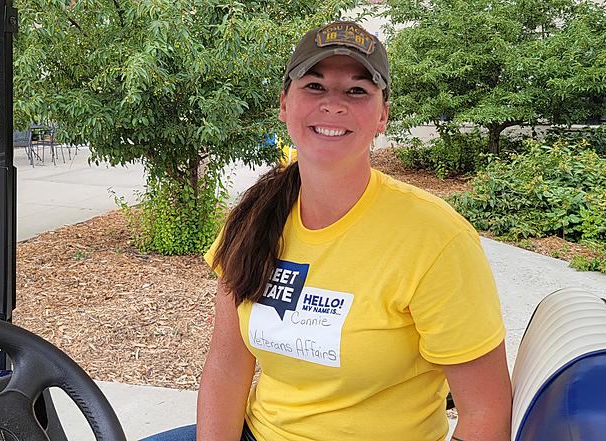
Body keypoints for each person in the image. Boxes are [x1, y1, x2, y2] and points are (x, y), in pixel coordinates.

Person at [142, 21, 511, 441]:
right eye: (314, 86)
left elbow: (487, 411)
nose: (333, 104)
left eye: (357, 90)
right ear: (285, 103)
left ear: (382, 115)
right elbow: (228, 365)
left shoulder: (435, 238)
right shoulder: (252, 217)